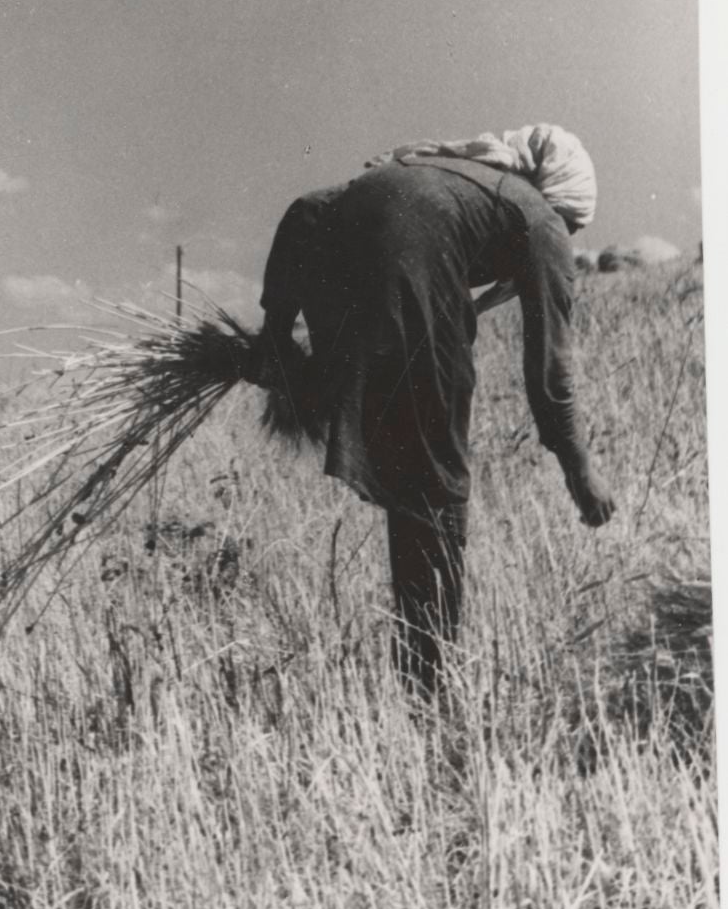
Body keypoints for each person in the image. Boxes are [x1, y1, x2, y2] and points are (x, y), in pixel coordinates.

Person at [253, 125, 614, 698]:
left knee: (411, 479)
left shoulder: (439, 169)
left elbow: (307, 210)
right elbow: (549, 370)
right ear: (562, 202)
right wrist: (580, 470)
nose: (566, 239)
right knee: (435, 491)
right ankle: (431, 684)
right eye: (572, 229)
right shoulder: (540, 218)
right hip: (407, 291)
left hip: (331, 267)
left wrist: (274, 334)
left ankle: (423, 669)